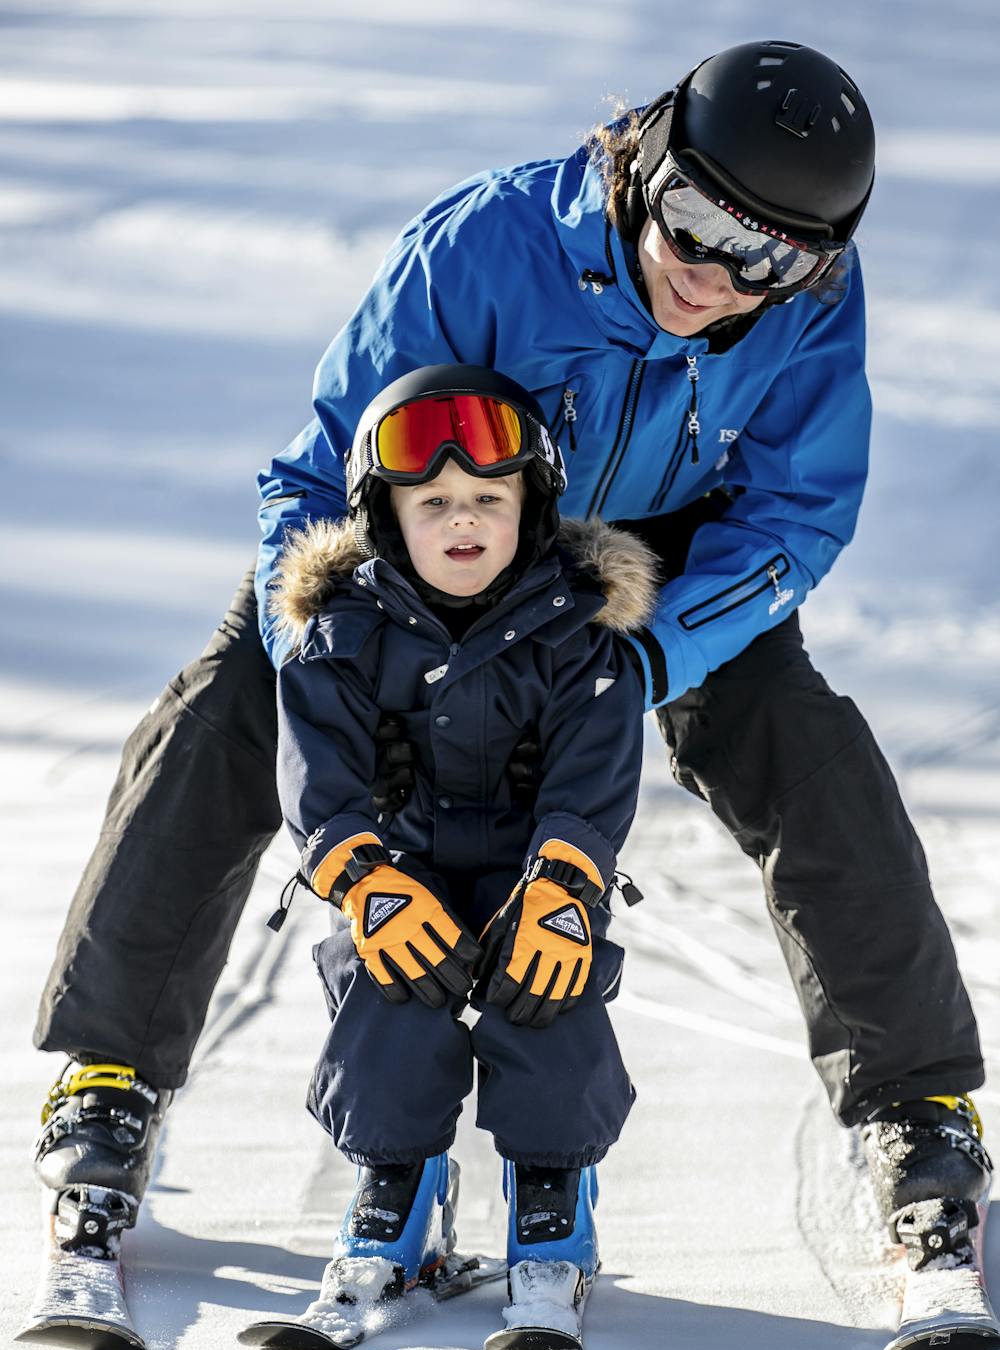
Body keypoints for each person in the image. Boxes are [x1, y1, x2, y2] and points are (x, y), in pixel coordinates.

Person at [34, 41, 990, 1273]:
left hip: (652, 554)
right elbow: (320, 474)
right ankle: (109, 1074)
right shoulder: (484, 246)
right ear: (644, 160)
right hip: (440, 519)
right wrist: (317, 647)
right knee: (227, 710)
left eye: (772, 257)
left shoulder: (801, 301)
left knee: (807, 750)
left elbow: (794, 513)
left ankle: (916, 1109)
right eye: (697, 222)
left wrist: (651, 654)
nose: (718, 275)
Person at [269, 363, 652, 1337]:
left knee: (549, 989)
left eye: (488, 496)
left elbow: (593, 771)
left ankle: (553, 1204)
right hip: (406, 870)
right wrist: (361, 876)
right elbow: (317, 774)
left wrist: (567, 882)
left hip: (535, 872)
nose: (462, 520)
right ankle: (396, 1188)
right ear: (386, 513)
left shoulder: (577, 631)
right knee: (391, 989)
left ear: (533, 504)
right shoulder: (341, 634)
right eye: (432, 501)